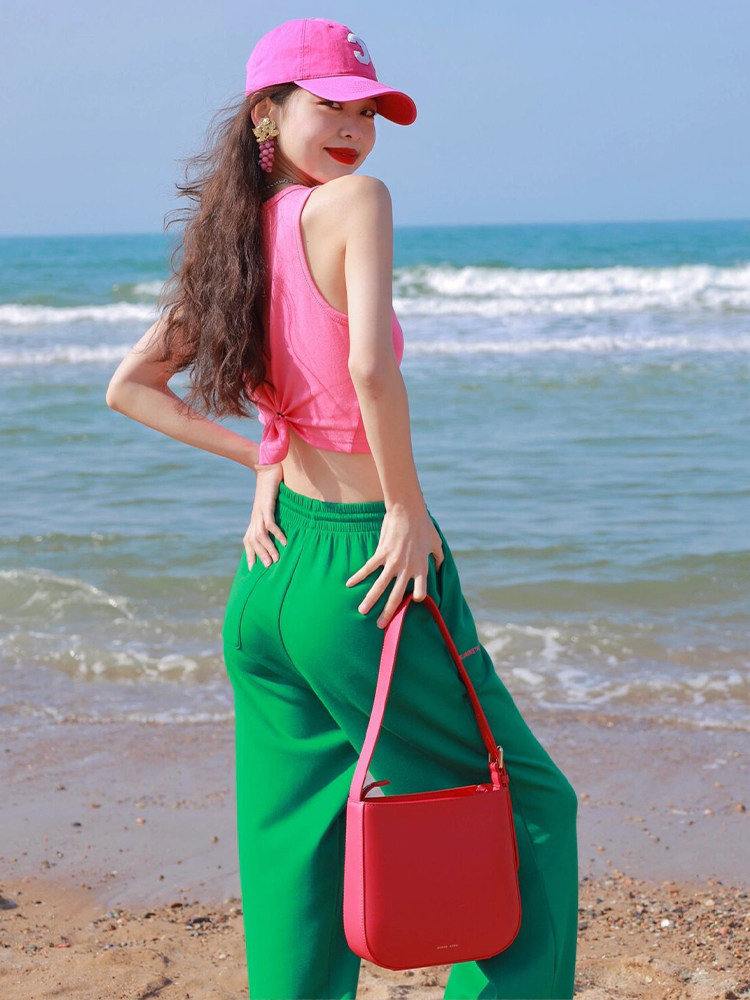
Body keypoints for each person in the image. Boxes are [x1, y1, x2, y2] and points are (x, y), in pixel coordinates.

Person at [106, 18, 579, 1000]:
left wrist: (264, 460)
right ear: (267, 114)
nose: (357, 131)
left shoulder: (235, 238)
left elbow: (131, 387)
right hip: (368, 575)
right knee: (528, 808)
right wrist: (405, 508)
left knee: (298, 853)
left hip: (269, 583)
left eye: (369, 113)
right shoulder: (357, 201)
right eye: (332, 106)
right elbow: (367, 366)